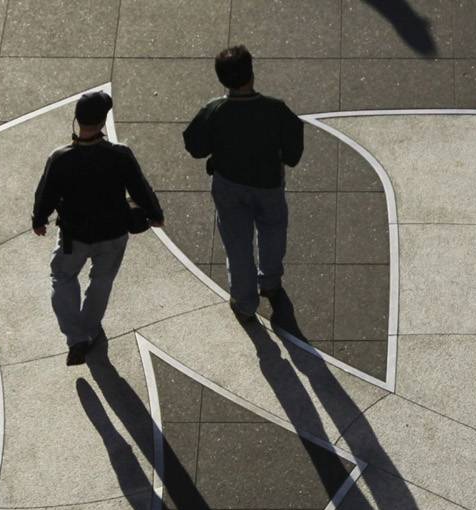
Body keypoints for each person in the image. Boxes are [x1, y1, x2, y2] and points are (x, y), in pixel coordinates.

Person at [32, 90, 164, 365]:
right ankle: (90, 328)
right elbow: (140, 189)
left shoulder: (60, 158)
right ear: (103, 122)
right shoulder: (119, 155)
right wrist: (155, 214)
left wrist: (40, 219)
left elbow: (45, 193)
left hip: (73, 235)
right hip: (113, 233)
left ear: (77, 120)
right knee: (101, 281)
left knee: (63, 277)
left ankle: (75, 338)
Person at [182, 46, 304, 322]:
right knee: (273, 232)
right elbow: (294, 152)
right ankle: (271, 282)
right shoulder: (275, 109)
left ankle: (245, 301)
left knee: (237, 244)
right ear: (252, 73)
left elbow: (195, 147)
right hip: (270, 184)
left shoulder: (214, 110)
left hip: (229, 186)